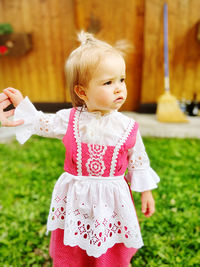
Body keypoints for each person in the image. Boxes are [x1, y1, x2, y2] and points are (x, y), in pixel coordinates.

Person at [3, 31, 160, 267]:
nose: (119, 88)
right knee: (74, 244)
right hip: (77, 197)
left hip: (112, 199)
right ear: (82, 92)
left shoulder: (127, 126)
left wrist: (146, 192)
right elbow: (42, 122)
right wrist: (23, 108)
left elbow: (138, 160)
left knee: (111, 242)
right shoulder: (71, 120)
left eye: (122, 80)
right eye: (108, 82)